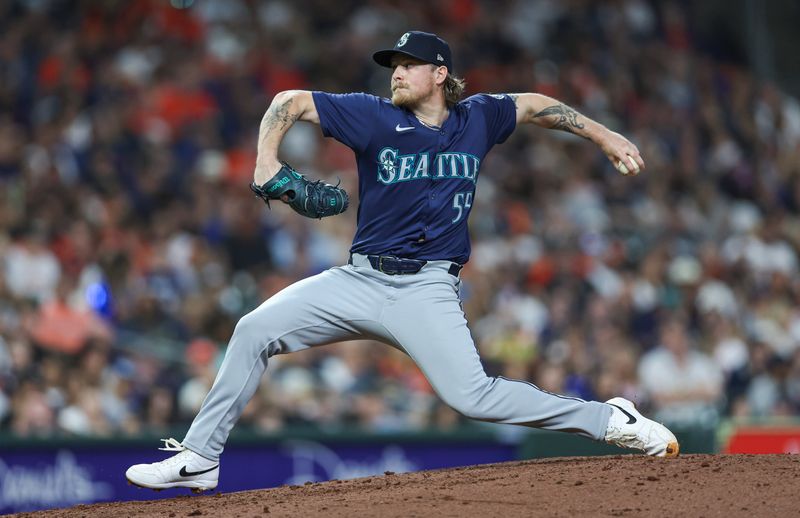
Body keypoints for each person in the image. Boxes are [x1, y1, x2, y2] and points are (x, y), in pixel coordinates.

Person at [126, 31, 678, 492]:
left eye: (408, 65)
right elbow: (288, 101)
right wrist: (266, 162)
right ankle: (200, 457)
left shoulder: (476, 118)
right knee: (253, 329)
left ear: (440, 74)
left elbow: (534, 105)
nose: (396, 72)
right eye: (393, 64)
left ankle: (611, 420)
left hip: (427, 291)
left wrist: (604, 135)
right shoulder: (371, 116)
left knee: (474, 397)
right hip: (359, 279)